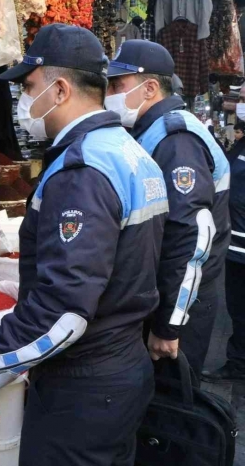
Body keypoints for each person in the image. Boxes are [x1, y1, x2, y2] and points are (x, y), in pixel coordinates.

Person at [0, 24, 168, 465]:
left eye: (27, 86)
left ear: (59, 90)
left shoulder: (82, 171)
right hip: (121, 368)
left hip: (83, 385)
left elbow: (65, 311)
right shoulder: (129, 152)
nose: (22, 101)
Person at [105, 40, 230, 377]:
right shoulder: (150, 131)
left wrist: (168, 325)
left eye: (117, 85)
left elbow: (188, 236)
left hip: (182, 303)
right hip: (168, 295)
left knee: (174, 414)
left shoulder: (176, 140)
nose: (110, 93)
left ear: (149, 88)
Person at [204, 120, 245, 381]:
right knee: (238, 311)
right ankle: (239, 361)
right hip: (236, 249)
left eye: (242, 98)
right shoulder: (241, 144)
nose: (239, 104)